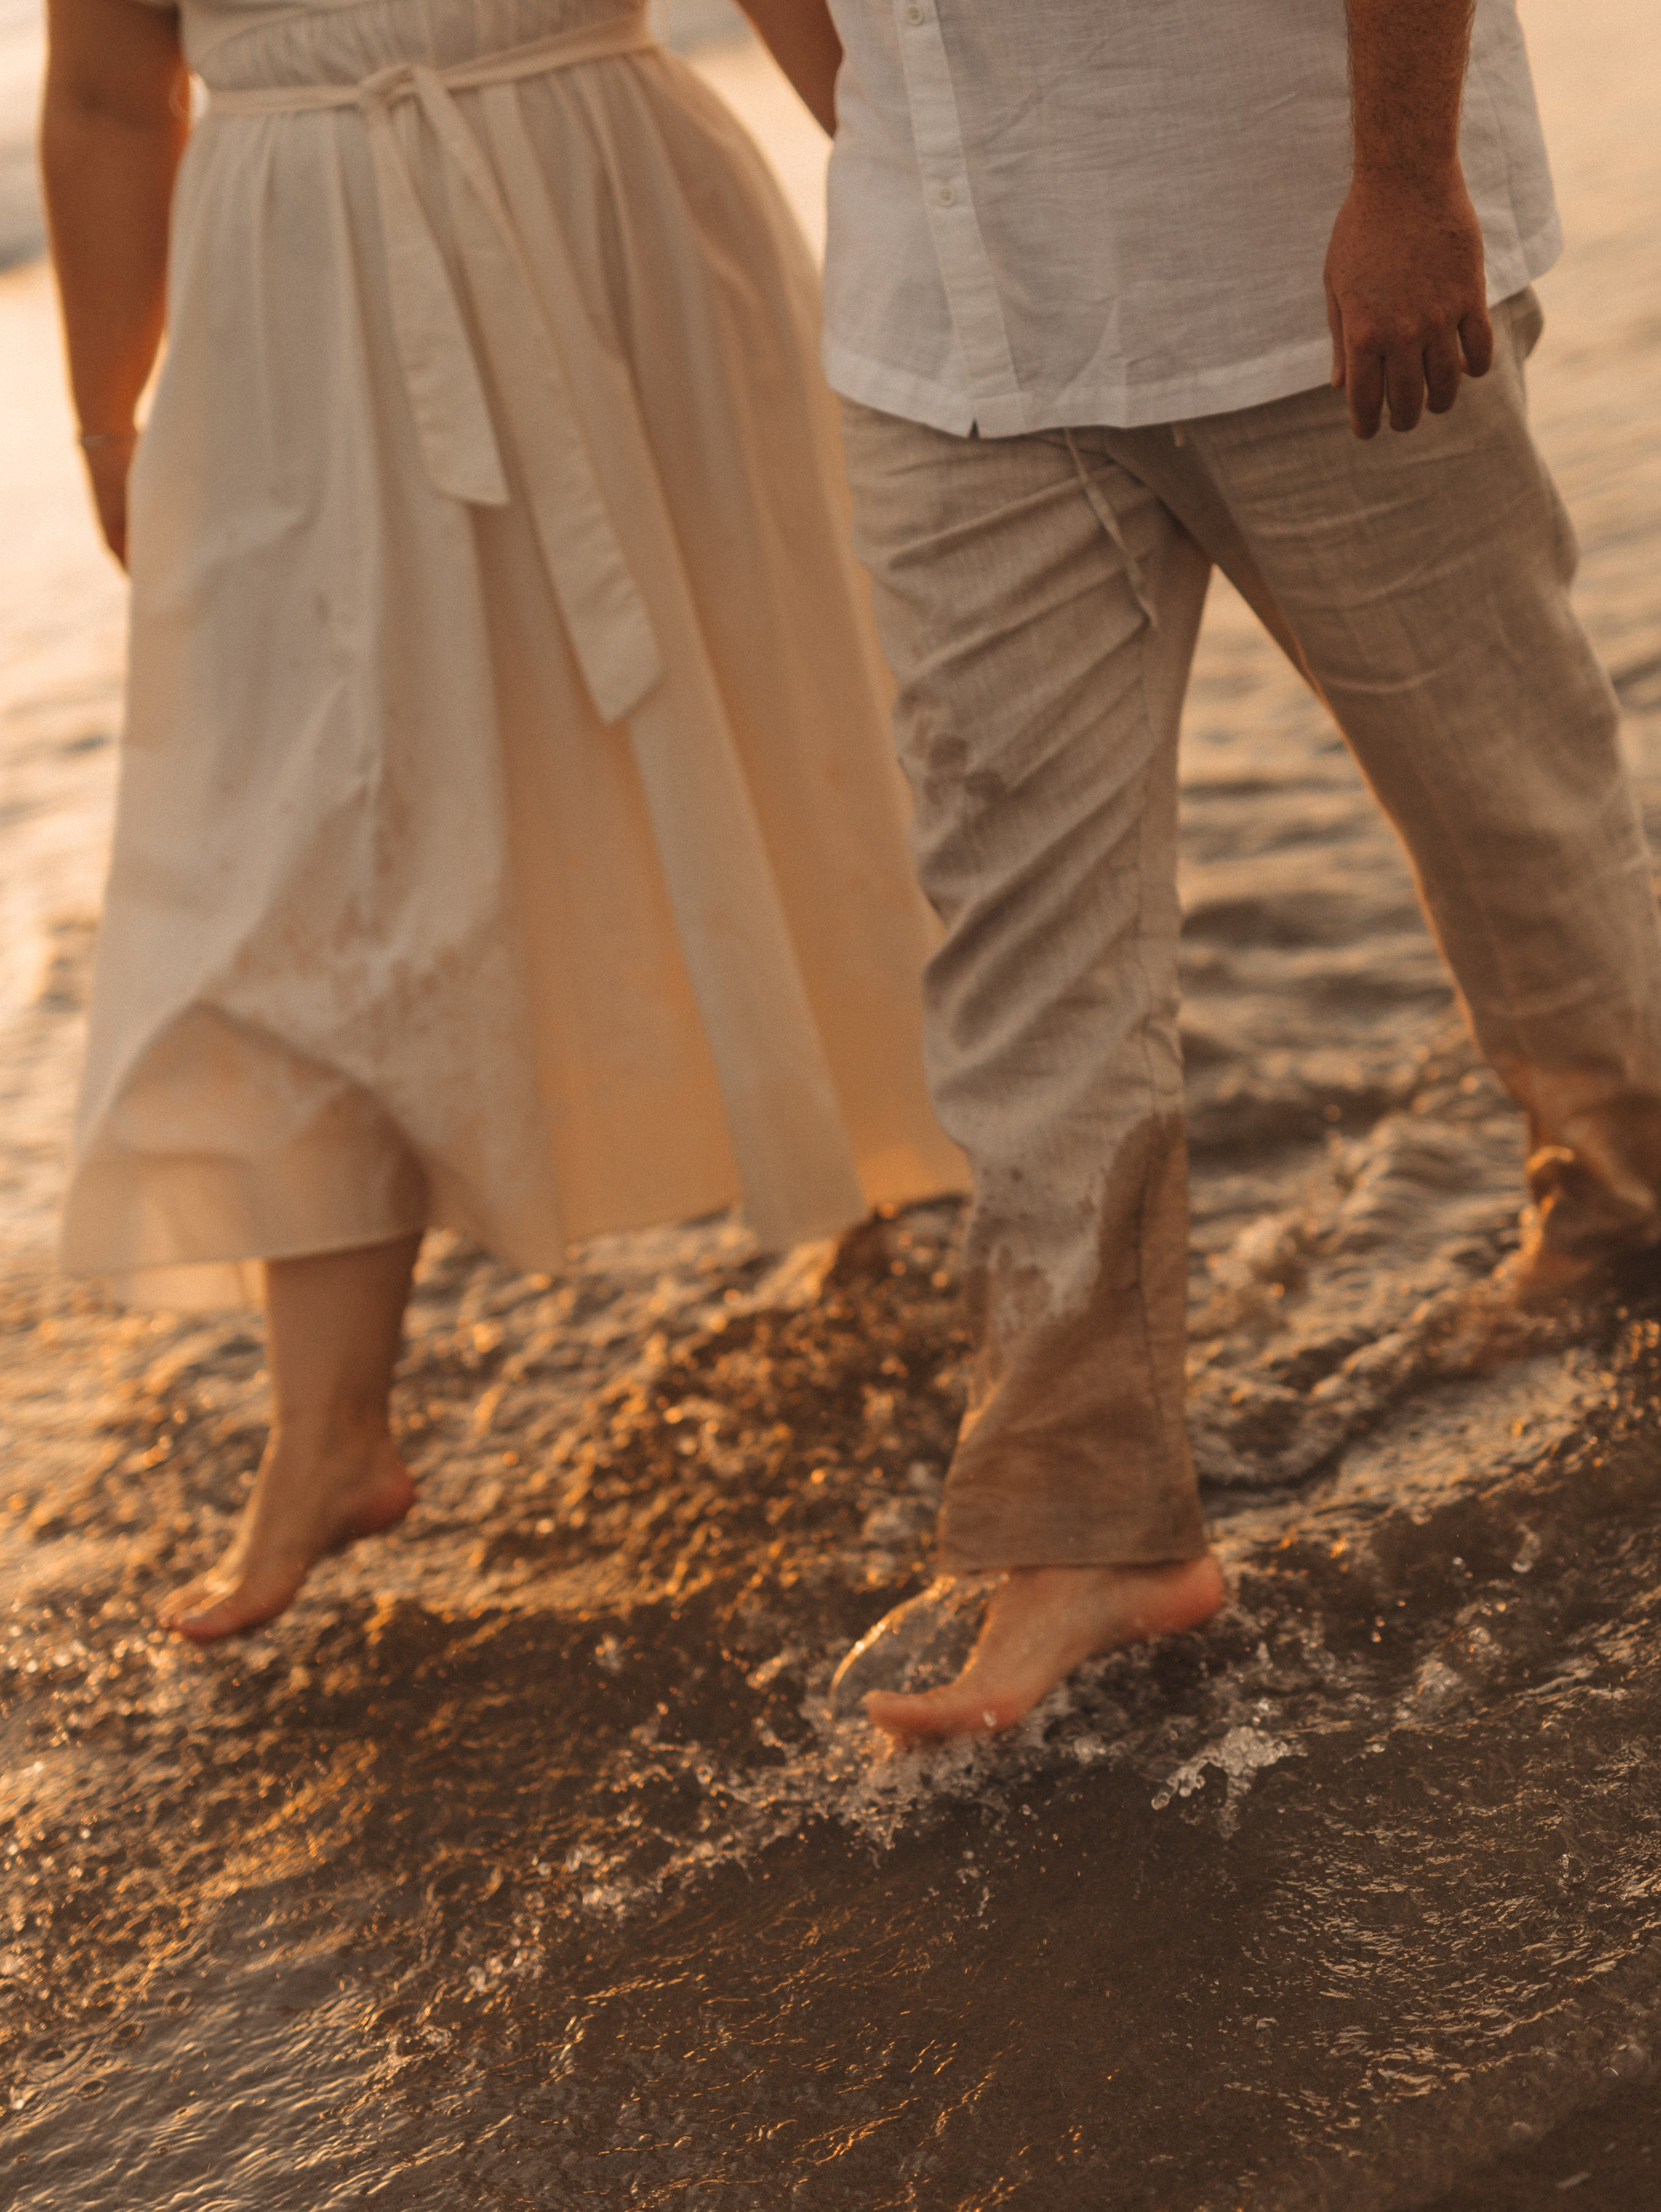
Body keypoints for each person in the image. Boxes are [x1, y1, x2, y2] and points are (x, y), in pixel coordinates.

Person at [738, 0, 1661, 1741]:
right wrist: (905, 140)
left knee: (1511, 808)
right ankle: (1090, 1520)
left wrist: (1402, 174)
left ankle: (1630, 1194)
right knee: (1020, 922)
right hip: (944, 320)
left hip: (1295, 245)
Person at [43, 0, 963, 1640]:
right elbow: (113, 92)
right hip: (292, 299)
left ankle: (893, 1186)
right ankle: (328, 1428)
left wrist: (934, 203)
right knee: (292, 854)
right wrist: (107, 419)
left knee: (769, 721)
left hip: (614, 228)